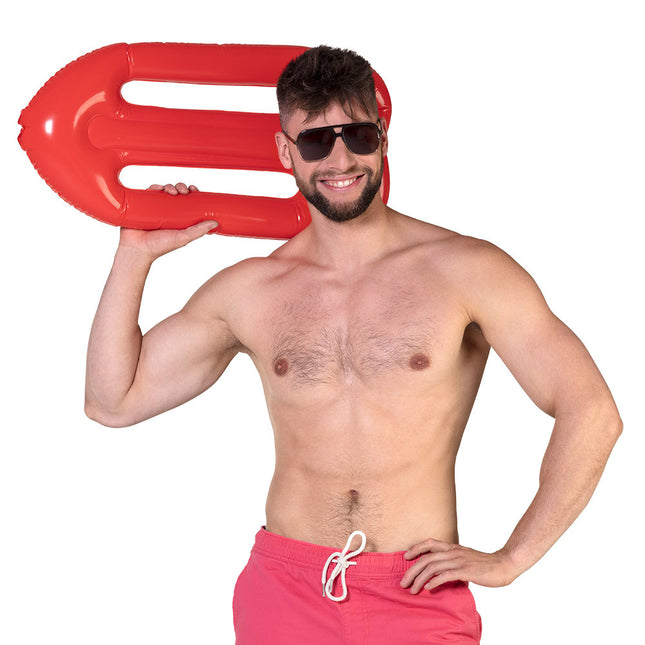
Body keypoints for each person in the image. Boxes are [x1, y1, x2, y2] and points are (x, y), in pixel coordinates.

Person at [84, 46, 622, 644]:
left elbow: (592, 410)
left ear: (383, 137)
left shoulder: (468, 271)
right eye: (316, 142)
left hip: (417, 590)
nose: (341, 160)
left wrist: (514, 558)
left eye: (358, 135)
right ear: (285, 152)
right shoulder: (252, 290)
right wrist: (133, 256)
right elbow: (113, 401)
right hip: (287, 589)